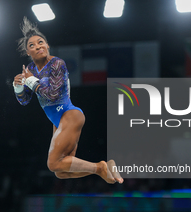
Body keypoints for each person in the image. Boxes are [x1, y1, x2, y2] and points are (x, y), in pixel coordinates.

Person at [13, 17, 123, 184]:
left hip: (69, 115)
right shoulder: (31, 70)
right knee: (60, 171)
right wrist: (18, 87)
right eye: (32, 45)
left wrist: (30, 81)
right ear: (28, 52)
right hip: (57, 121)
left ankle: (100, 167)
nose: (38, 46)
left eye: (40, 42)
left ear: (47, 45)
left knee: (52, 164)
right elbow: (24, 101)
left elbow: (53, 94)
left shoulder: (57, 63)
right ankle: (101, 169)